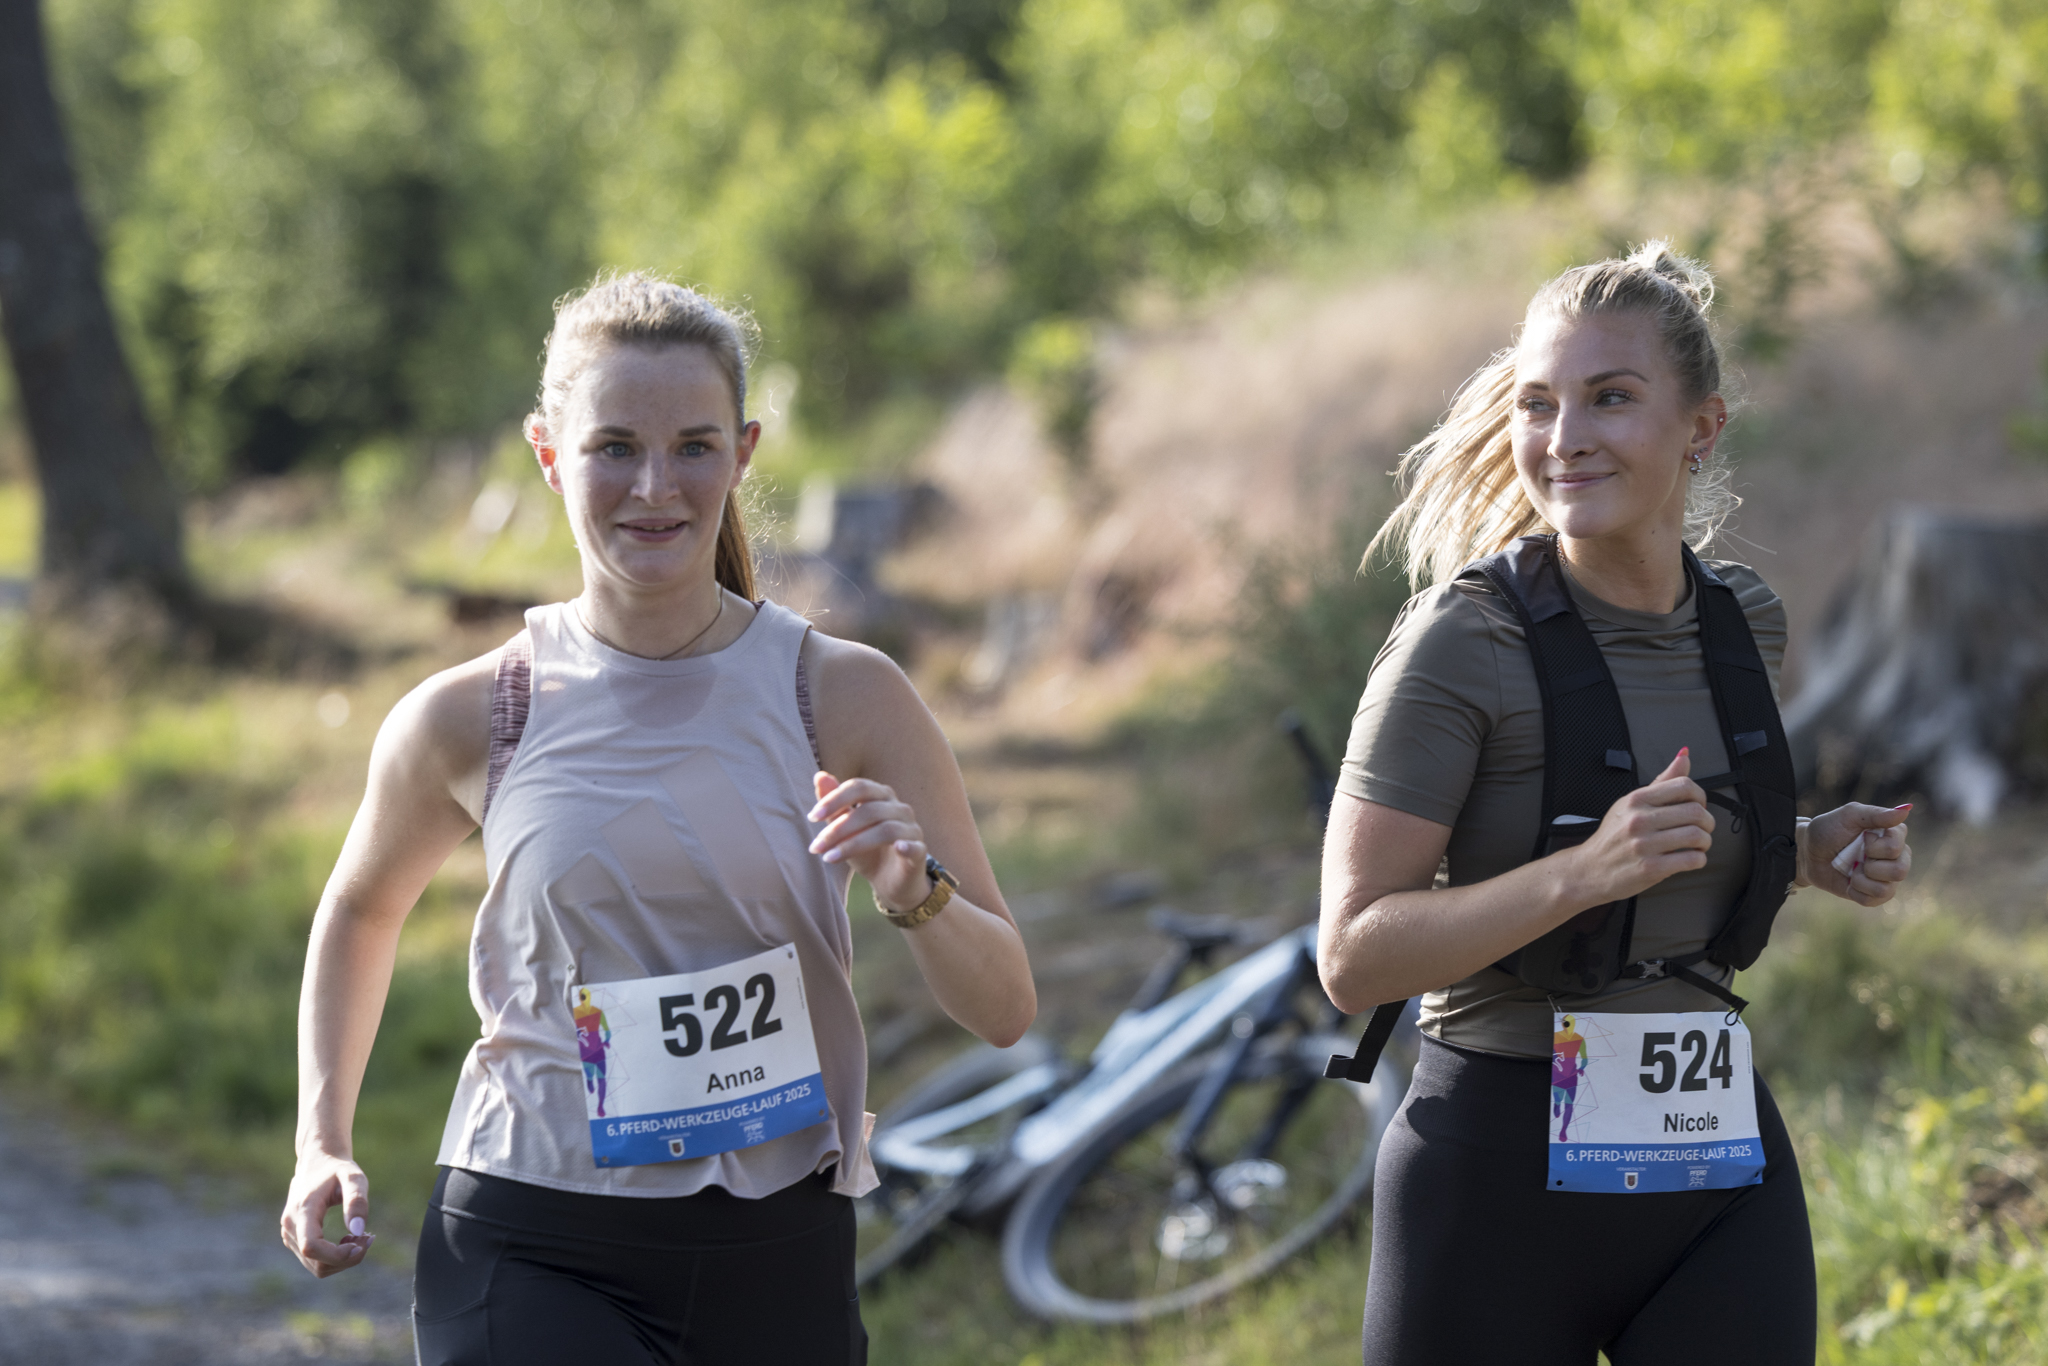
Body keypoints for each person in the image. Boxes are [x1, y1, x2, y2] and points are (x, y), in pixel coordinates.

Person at [279, 271, 1036, 1364]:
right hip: (531, 1231)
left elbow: (1006, 1009)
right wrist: (321, 1140)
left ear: (744, 453)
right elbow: (360, 907)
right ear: (549, 453)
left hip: (778, 1246)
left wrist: (914, 892)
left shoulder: (843, 694)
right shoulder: (472, 713)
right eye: (614, 447)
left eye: (692, 447)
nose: (654, 486)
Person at [1317, 242, 1913, 1365]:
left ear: (1701, 428)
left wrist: (1799, 851)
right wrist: (1579, 875)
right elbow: (1351, 957)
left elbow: (1669, 852)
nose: (1564, 436)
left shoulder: (1744, 620)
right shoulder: (1461, 642)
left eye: (1610, 398)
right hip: (1494, 1176)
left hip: (1708, 1165)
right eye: (1538, 403)